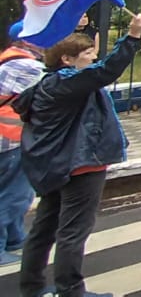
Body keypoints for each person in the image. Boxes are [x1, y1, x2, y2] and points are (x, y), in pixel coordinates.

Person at [17, 12, 141, 297]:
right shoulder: (67, 83)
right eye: (89, 53)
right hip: (80, 166)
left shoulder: (48, 83)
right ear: (67, 59)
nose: (93, 58)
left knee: (44, 229)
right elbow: (107, 71)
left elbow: (99, 71)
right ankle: (71, 291)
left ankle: (32, 288)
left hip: (55, 166)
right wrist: (133, 36)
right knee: (72, 232)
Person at [0, 24, 44, 266]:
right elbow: (56, 88)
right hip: (12, 137)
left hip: (8, 136)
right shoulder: (25, 65)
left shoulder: (8, 58)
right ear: (29, 40)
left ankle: (15, 238)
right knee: (14, 194)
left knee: (14, 190)